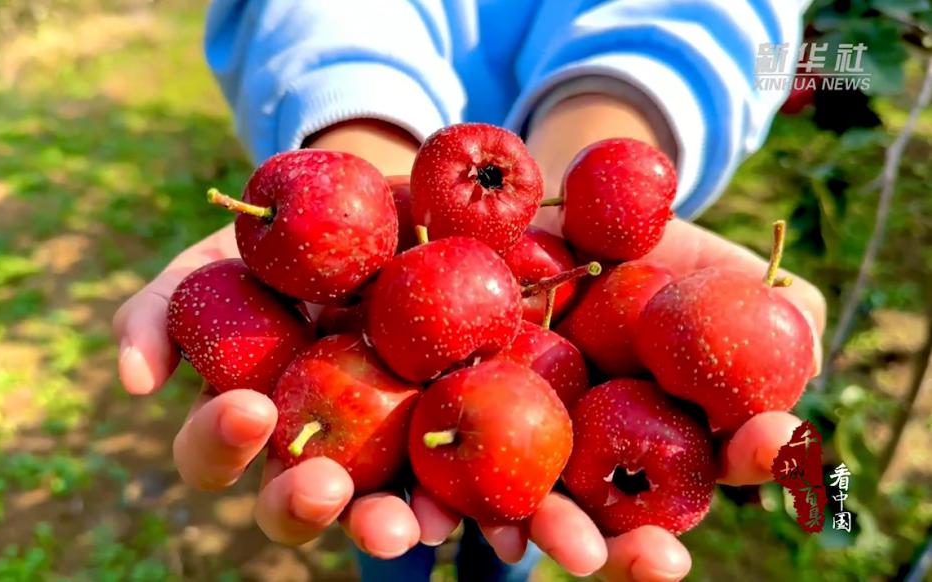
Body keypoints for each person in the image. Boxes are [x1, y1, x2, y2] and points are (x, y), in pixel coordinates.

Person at [113, 1, 827, 580]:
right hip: (413, 424)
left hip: (514, 429)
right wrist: (363, 159)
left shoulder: (579, 307)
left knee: (508, 523)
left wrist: (617, 128)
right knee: (392, 523)